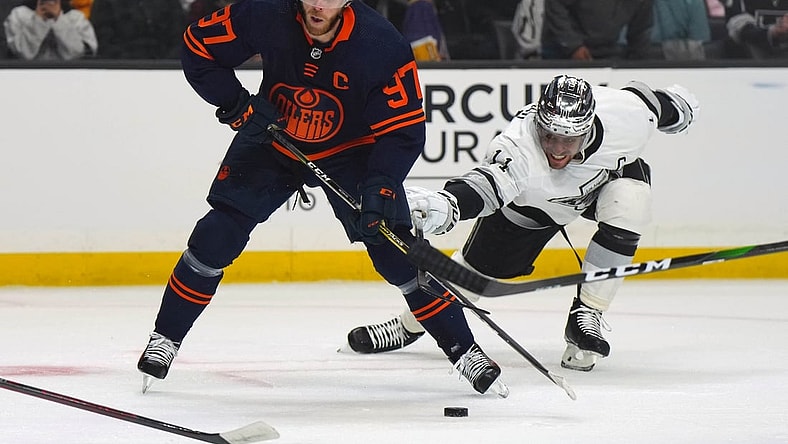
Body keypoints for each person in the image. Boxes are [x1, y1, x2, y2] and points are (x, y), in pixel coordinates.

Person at [136, 0, 507, 398]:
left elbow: (404, 131)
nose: (316, 4)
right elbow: (198, 47)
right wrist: (236, 103)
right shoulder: (266, 12)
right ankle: (165, 338)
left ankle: (464, 350)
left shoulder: (380, 43)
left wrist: (381, 185)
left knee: (395, 251)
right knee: (216, 235)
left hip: (353, 151)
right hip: (273, 135)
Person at [347, 75, 699, 372]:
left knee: (631, 202)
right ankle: (409, 325)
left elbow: (655, 103)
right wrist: (447, 204)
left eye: (569, 139)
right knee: (473, 278)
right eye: (550, 137)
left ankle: (586, 315)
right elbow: (484, 185)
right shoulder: (519, 147)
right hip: (536, 206)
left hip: (603, 184)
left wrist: (681, 110)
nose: (558, 150)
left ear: (588, 128)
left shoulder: (626, 117)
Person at [541, 0, 655, 60]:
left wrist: (640, 64)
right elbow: (556, 5)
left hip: (607, 52)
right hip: (560, 52)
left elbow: (640, 31)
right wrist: (572, 46)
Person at [3, 0, 97, 60]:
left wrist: (58, 20)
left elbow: (79, 55)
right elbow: (21, 54)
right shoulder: (18, 15)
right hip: (27, 77)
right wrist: (39, 20)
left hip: (70, 78)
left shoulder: (76, 17)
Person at [89, 0, 185, 58]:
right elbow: (105, 43)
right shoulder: (106, 3)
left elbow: (179, 38)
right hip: (120, 69)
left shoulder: (170, 3)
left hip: (167, 68)